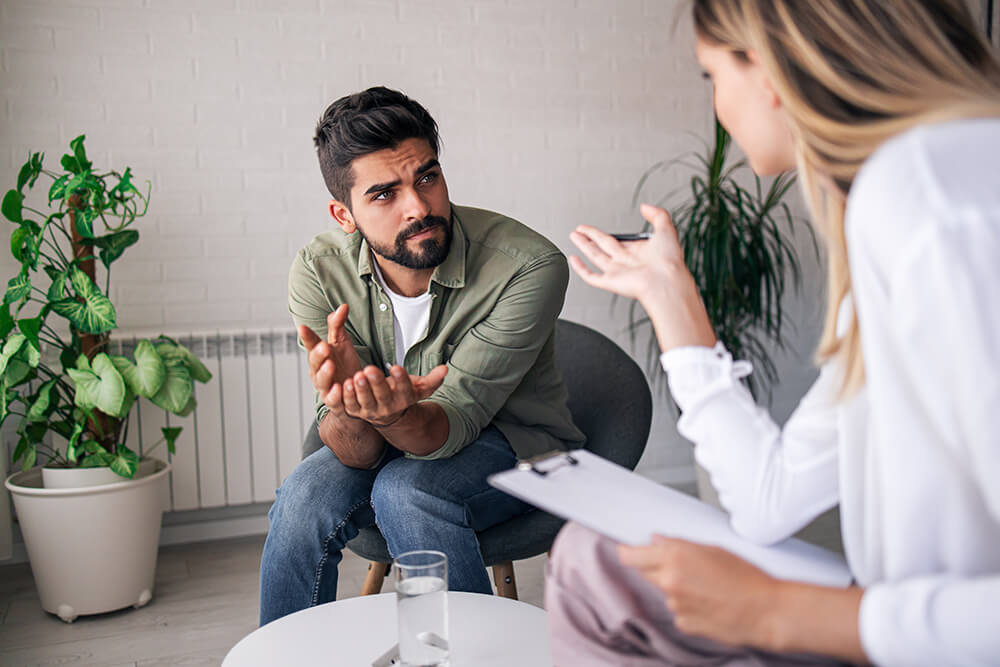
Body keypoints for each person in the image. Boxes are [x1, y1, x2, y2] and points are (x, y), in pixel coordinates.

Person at [545, 1, 1000, 665]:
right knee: (593, 557)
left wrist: (774, 609)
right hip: (906, 617)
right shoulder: (914, 191)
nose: (720, 106)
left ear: (764, 68)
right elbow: (769, 498)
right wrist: (670, 296)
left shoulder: (930, 199)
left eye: (710, 76)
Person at [259, 86, 584, 625]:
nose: (419, 207)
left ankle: (475, 658)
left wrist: (392, 413)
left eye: (427, 177)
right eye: (385, 194)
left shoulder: (528, 266)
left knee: (408, 490)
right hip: (394, 443)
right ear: (345, 214)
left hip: (516, 446)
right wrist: (347, 405)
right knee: (303, 495)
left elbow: (452, 422)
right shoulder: (319, 271)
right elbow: (355, 451)